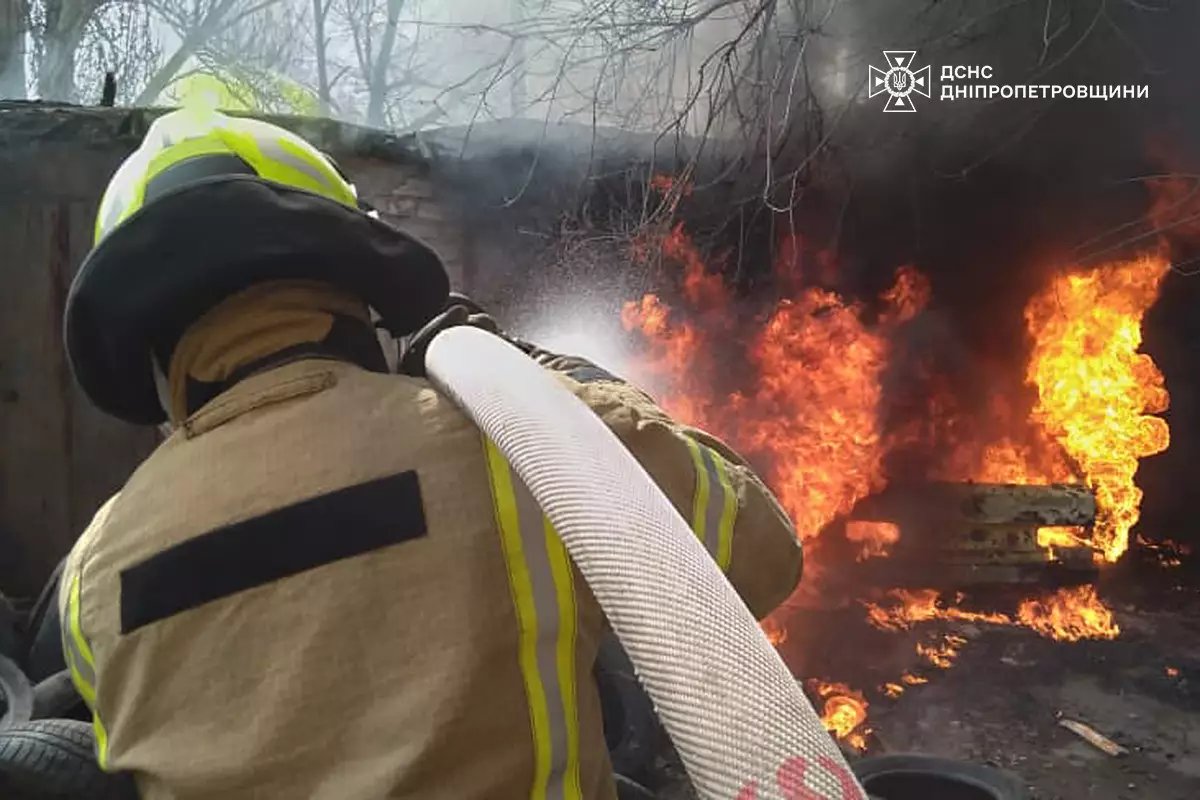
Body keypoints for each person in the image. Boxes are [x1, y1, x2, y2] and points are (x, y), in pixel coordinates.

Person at [57, 107, 803, 800]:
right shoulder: (521, 450)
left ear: (155, 358)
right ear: (354, 282)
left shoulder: (91, 576)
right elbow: (762, 550)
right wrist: (548, 383)